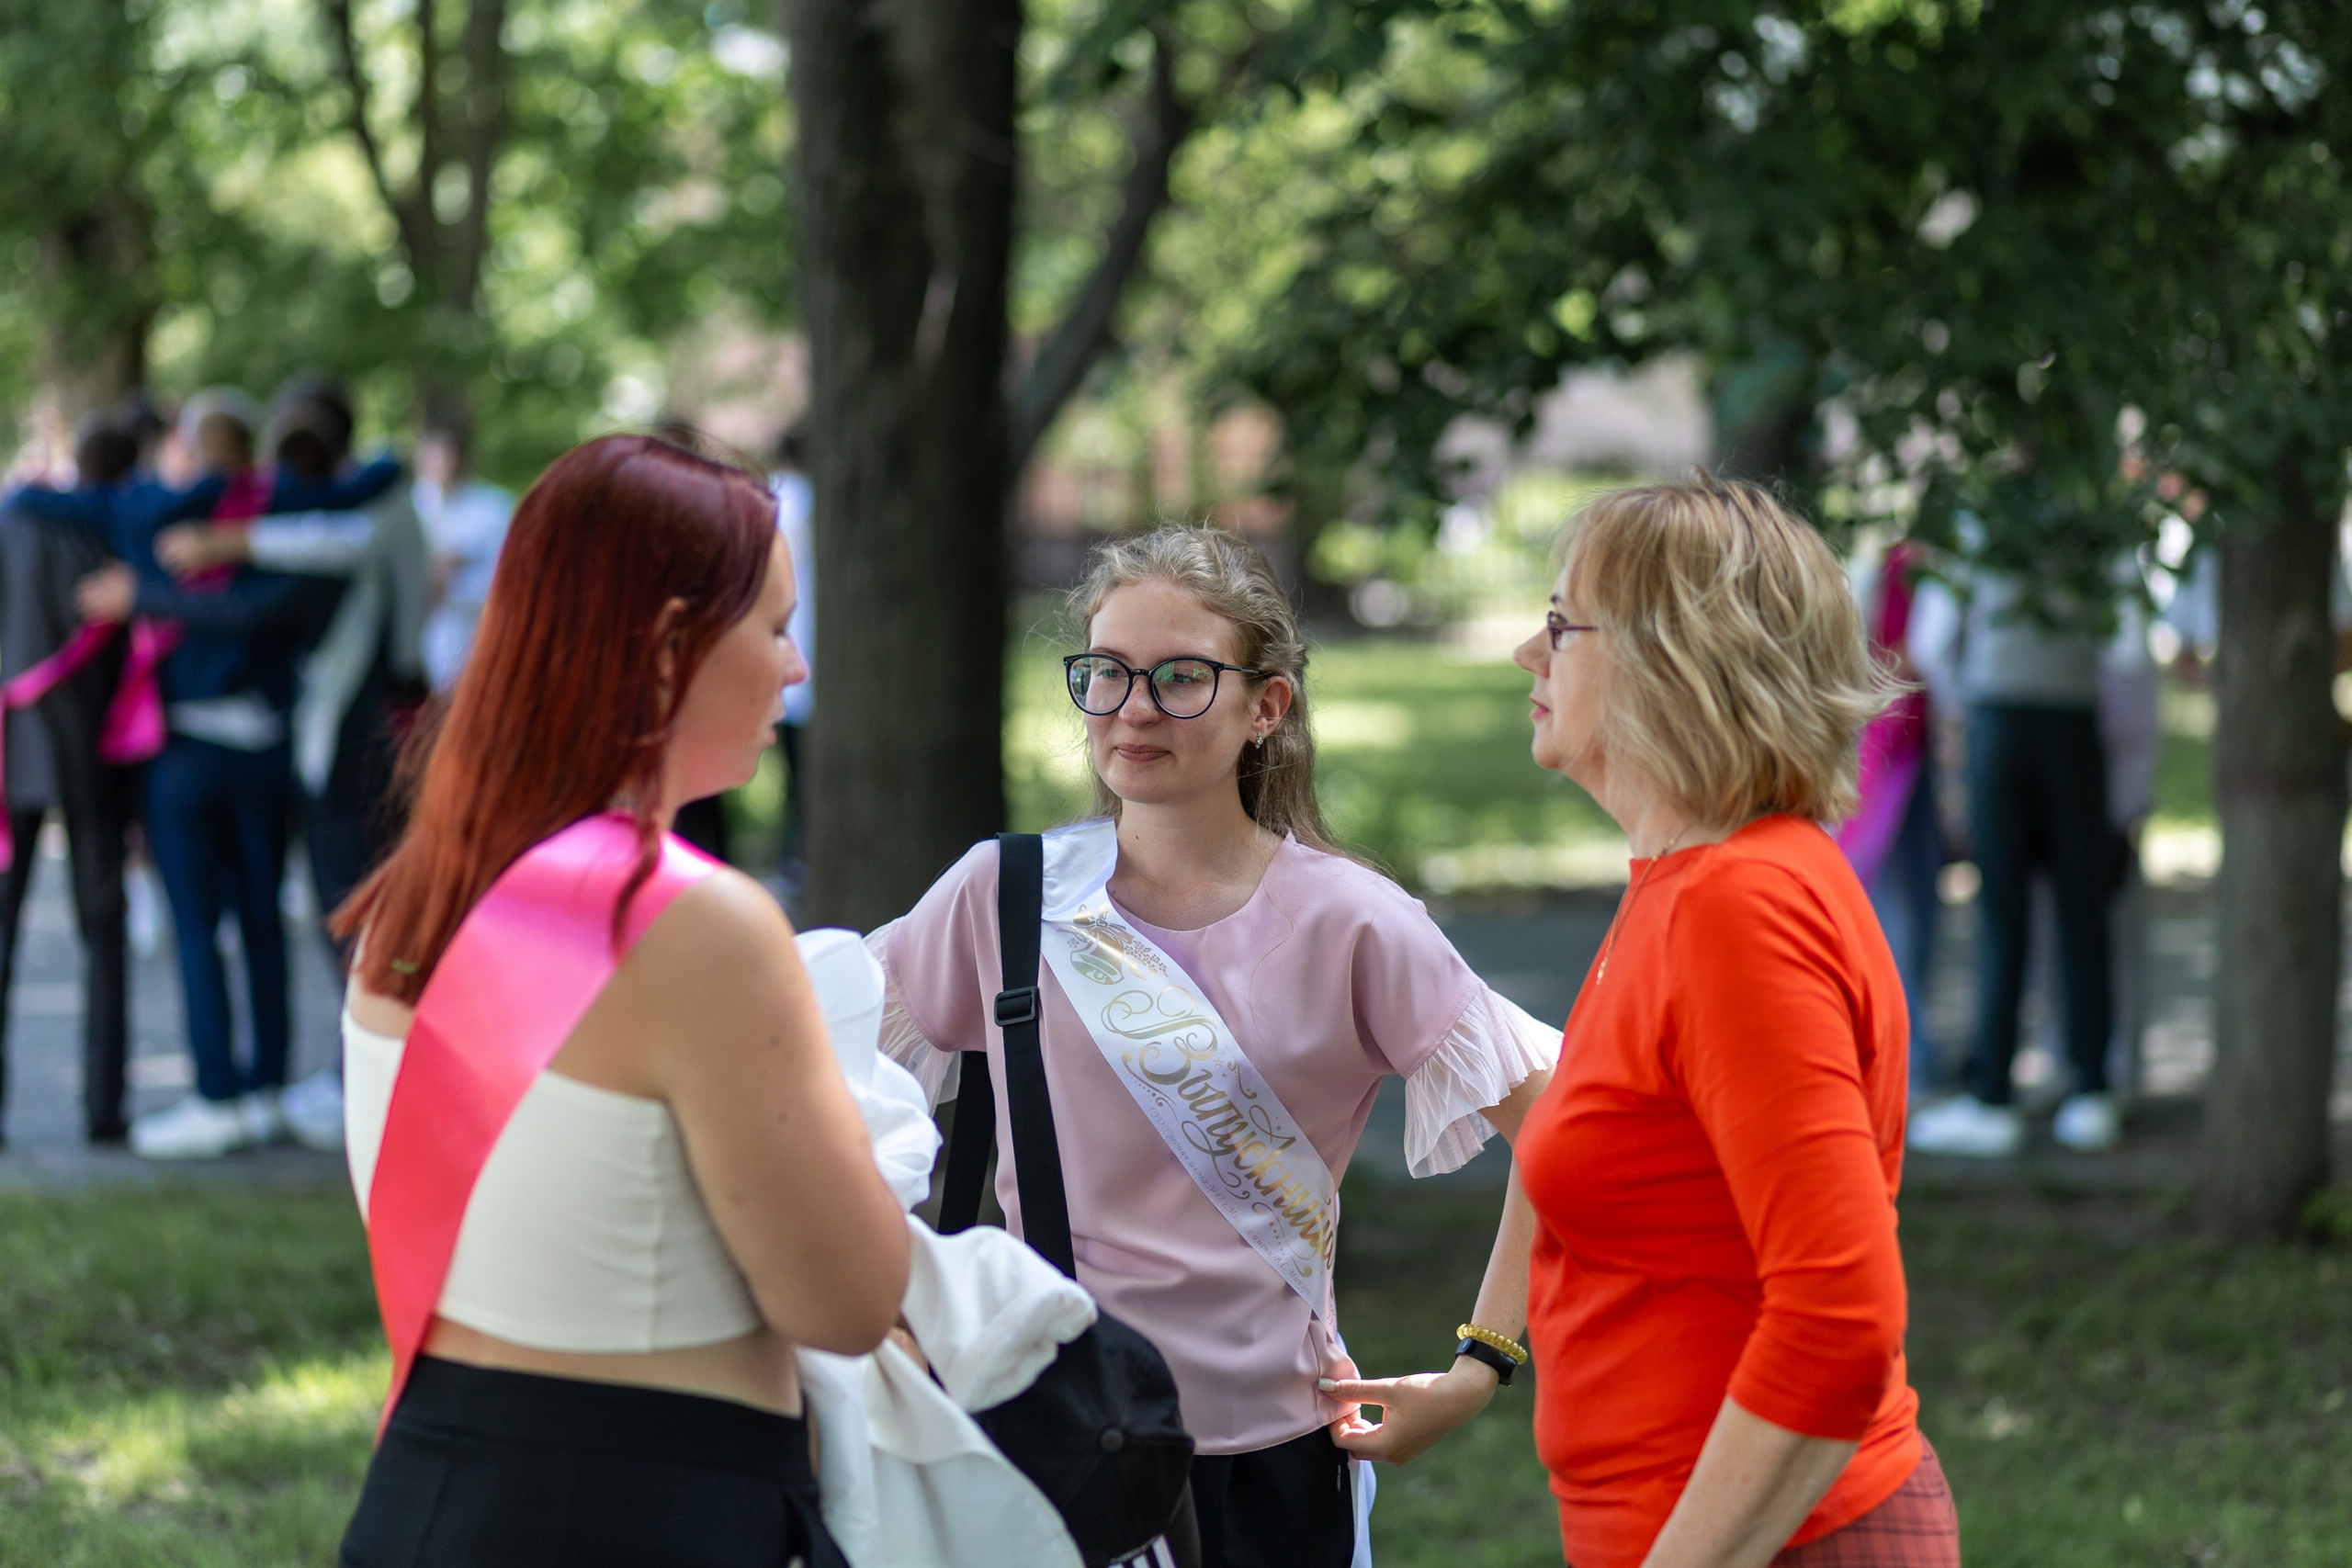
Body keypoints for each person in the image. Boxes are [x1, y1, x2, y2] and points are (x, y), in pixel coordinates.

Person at [874, 525, 1560, 1568]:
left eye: (1180, 677)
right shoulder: (1003, 897)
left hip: (1279, 1463)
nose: (1132, 709)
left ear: (1266, 706)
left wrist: (1480, 1366)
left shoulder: (1353, 923)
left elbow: (1560, 1121)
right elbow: (803, 1071)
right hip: (1052, 1443)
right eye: (1104, 674)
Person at [333, 433, 905, 1566]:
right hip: (642, 1513)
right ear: (662, 649)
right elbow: (847, 1303)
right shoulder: (691, 922)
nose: (796, 670)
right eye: (776, 628)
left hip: (426, 1498)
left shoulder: (417, 897)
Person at [1511, 478, 1954, 1568]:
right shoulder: (1683, 882)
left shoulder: (1735, 909)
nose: (1529, 649)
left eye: (1563, 623)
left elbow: (1839, 1325)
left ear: (1673, 658)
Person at [1906, 525, 2121, 1157]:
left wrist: (1966, 706)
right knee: (2083, 911)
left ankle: (1994, 1091)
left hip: (1997, 720)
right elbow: (2129, 649)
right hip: (2074, 721)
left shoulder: (1980, 519)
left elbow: (1932, 641)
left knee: (2003, 913)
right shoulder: (2092, 523)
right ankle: (2090, 1086)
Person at [0, 416, 139, 1145]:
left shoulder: (14, 521)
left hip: (12, 748)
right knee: (104, 931)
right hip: (95, 751)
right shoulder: (125, 525)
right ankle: (105, 1107)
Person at [1838, 539, 1944, 1100]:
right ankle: (1905, 1061)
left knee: (1913, 915)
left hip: (1910, 753)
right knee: (1900, 916)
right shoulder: (1898, 570)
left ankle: (1907, 1054)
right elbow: (1911, 655)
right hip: (1894, 755)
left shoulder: (1900, 568)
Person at [412, 416, 514, 691]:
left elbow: (505, 580)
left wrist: (453, 578)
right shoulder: (409, 509)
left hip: (471, 647)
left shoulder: (492, 509)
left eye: (446, 455)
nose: (440, 464)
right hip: (411, 654)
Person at [769, 424, 813, 889]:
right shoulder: (804, 499)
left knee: (792, 773)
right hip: (806, 657)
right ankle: (795, 858)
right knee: (804, 775)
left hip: (786, 652)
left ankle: (791, 858)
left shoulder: (775, 498)